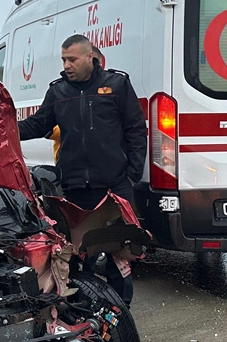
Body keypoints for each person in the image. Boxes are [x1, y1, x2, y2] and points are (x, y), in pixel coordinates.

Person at [18, 35, 146, 304]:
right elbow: (38, 125)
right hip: (75, 190)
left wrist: (132, 175)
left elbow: (136, 131)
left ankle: (121, 313)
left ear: (91, 57)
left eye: (72, 59)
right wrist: (5, 128)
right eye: (64, 59)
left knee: (119, 256)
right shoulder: (58, 92)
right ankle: (82, 310)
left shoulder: (117, 85)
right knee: (76, 257)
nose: (66, 65)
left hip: (114, 188)